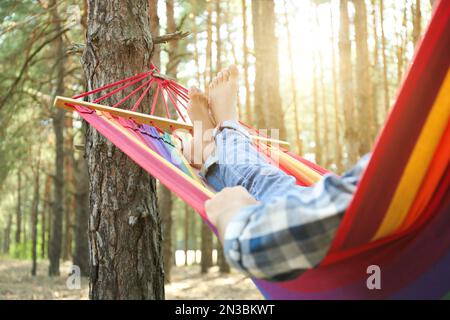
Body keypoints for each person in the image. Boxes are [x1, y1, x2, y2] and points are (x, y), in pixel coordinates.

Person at [182, 65, 370, 281]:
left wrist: (230, 211)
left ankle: (221, 136)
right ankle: (213, 149)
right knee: (284, 188)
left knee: (269, 184)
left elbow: (256, 243)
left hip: (333, 232)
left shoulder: (378, 199)